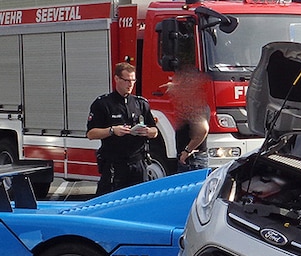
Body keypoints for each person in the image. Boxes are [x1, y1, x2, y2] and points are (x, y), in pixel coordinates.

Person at [86, 62, 159, 194]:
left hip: (138, 163)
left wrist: (148, 132)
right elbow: (91, 134)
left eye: (133, 80)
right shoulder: (103, 104)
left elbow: (155, 131)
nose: (130, 84)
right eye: (126, 80)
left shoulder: (140, 103)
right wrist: (112, 130)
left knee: (139, 202)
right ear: (117, 79)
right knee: (111, 201)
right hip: (115, 164)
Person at [160, 62, 210, 170]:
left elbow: (202, 130)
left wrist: (187, 151)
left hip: (192, 160)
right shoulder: (196, 101)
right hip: (193, 159)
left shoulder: (193, 105)